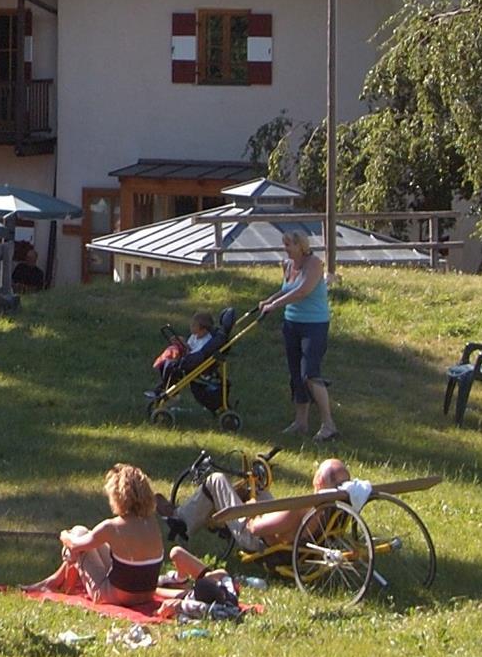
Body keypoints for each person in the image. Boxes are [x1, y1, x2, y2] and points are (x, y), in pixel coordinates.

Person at [27, 463, 202, 605]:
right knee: (84, 537)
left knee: (78, 534)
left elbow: (74, 546)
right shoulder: (151, 522)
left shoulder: (112, 527)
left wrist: (64, 534)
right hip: (146, 594)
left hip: (116, 596)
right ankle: (53, 582)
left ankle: (57, 586)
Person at [174, 458, 352, 552]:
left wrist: (252, 507)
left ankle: (180, 522)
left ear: (318, 480)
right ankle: (191, 513)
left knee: (216, 480)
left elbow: (255, 528)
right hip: (292, 533)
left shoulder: (301, 506)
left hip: (257, 540)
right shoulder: (334, 505)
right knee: (257, 489)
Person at [261, 229, 337, 440]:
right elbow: (287, 290)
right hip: (292, 323)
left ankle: (329, 425)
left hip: (314, 325)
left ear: (300, 246)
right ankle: (300, 422)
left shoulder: (314, 263)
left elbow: (303, 290)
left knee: (309, 374)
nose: (284, 249)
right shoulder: (287, 265)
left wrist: (275, 305)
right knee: (296, 376)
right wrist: (269, 300)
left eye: (288, 245)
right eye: (284, 244)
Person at [150, 311, 219, 398]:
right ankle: (164, 385)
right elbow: (189, 347)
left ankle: (169, 389)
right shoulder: (194, 336)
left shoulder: (206, 341)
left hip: (193, 363)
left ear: (203, 329)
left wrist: (185, 346)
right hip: (187, 358)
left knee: (171, 367)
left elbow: (197, 354)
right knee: (165, 363)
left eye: (194, 326)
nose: (191, 327)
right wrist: (181, 342)